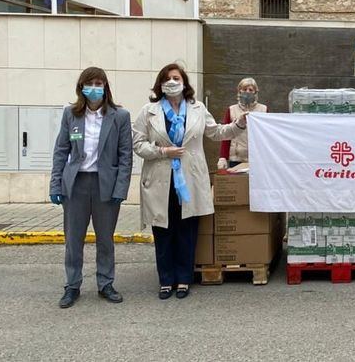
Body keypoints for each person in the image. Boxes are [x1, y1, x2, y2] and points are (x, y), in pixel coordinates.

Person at [132, 63, 244, 300]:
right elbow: (138, 144)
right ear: (160, 84)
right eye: (167, 78)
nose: (172, 82)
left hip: (189, 179)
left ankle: (184, 279)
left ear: (184, 82)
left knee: (186, 231)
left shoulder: (197, 108)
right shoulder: (149, 111)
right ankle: (165, 280)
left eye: (176, 78)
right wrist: (163, 152)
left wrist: (238, 125)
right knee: (163, 230)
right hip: (160, 177)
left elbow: (215, 133)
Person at [49, 67, 133, 308]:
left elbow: (125, 156)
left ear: (106, 87)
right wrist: (55, 184)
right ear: (81, 87)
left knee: (105, 238)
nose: (95, 88)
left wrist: (120, 189)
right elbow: (61, 151)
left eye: (99, 83)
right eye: (90, 83)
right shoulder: (71, 115)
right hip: (75, 185)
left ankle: (105, 282)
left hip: (104, 185)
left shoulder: (120, 116)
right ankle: (72, 285)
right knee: (73, 239)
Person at [217, 77, 268, 170]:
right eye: (244, 89)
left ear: (255, 92)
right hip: (236, 158)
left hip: (257, 158)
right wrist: (223, 157)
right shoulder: (231, 110)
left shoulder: (263, 110)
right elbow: (226, 135)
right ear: (239, 91)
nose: (247, 92)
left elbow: (267, 136)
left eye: (250, 90)